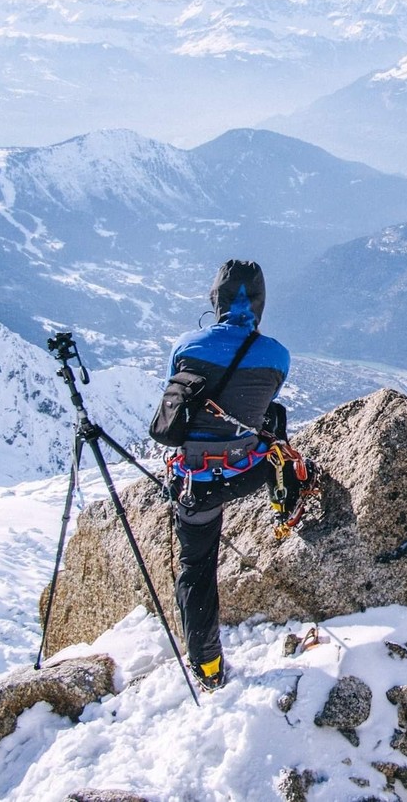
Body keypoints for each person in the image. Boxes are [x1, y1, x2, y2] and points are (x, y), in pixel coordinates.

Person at [166, 259, 289, 691]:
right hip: (246, 472)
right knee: (276, 419)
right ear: (259, 304)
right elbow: (262, 403)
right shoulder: (276, 355)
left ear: (215, 300)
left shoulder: (187, 345)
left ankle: (209, 667)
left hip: (197, 484)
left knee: (196, 567)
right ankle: (282, 499)